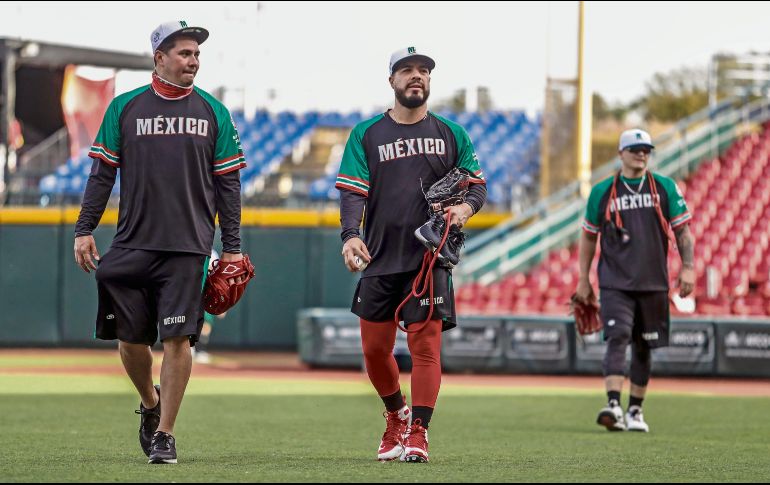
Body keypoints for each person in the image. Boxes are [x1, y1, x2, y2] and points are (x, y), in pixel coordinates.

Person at [73, 20, 247, 464]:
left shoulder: (214, 111)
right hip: (132, 243)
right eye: (185, 53)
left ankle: (165, 433)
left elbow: (229, 185)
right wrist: (84, 228)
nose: (193, 60)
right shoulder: (125, 107)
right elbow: (102, 174)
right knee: (130, 341)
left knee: (178, 339)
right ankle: (150, 403)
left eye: (196, 54)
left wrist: (231, 246)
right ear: (160, 58)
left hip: (188, 247)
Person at [336, 47, 487, 463]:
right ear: (392, 80)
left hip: (428, 257)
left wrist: (465, 208)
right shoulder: (367, 133)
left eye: (423, 70)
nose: (416, 76)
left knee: (425, 347)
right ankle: (396, 414)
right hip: (380, 255)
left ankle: (418, 431)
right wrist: (350, 235)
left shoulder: (452, 133)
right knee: (374, 349)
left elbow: (477, 187)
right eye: (407, 70)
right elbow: (352, 191)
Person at [576, 128, 695, 433]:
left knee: (644, 345)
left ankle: (635, 411)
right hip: (614, 281)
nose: (641, 154)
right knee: (618, 336)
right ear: (621, 153)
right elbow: (588, 237)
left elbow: (682, 231)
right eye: (635, 149)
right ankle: (614, 406)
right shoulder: (602, 192)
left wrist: (688, 267)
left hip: (653, 281)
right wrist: (584, 279)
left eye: (646, 150)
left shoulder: (665, 187)